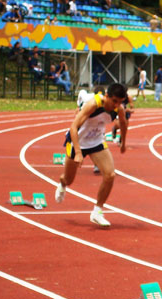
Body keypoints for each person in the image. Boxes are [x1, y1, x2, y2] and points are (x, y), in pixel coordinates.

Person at [55, 83, 128, 227]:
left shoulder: (118, 109)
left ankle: (97, 211)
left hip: (96, 142)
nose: (117, 105)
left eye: (120, 102)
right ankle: (62, 184)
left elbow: (124, 124)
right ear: (106, 96)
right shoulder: (93, 104)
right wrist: (78, 152)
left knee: (110, 175)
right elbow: (73, 127)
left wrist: (123, 143)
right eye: (114, 101)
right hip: (78, 142)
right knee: (69, 179)